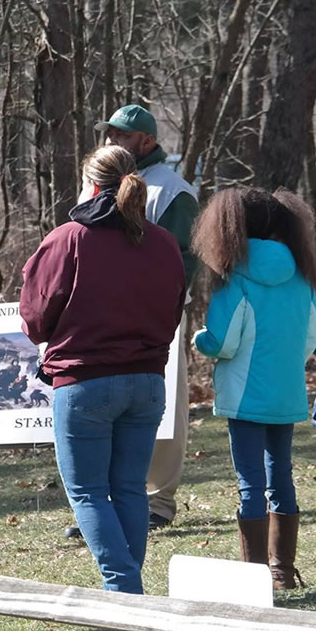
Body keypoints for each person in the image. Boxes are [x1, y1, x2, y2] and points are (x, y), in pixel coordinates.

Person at [19, 145, 185, 594]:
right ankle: (129, 589)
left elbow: (35, 321)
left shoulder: (69, 238)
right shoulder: (163, 242)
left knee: (89, 491)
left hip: (86, 381)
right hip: (148, 380)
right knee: (130, 488)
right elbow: (173, 314)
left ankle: (123, 589)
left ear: (91, 184)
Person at [190, 189, 316, 589]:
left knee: (251, 484)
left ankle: (255, 576)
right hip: (286, 393)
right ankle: (283, 571)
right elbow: (311, 337)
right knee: (281, 475)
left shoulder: (236, 279)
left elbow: (224, 341)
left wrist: (201, 341)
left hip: (245, 397)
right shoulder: (301, 277)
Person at [93, 104, 200, 532]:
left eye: (120, 136)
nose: (110, 142)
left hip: (158, 318)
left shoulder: (172, 191)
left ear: (147, 142)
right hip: (104, 318)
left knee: (165, 413)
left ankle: (157, 502)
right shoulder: (100, 183)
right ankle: (107, 501)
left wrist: (161, 313)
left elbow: (183, 261)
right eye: (108, 135)